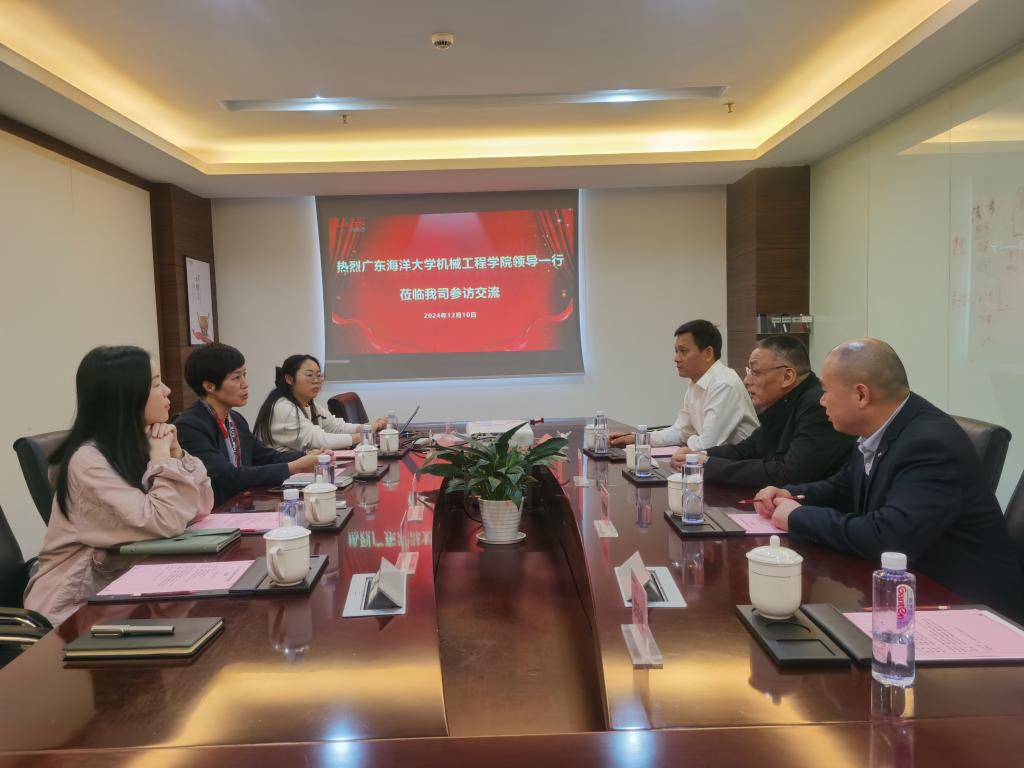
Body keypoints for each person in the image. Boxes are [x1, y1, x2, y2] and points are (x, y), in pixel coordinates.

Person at [753, 338, 1024, 621]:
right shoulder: (882, 428)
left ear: (861, 395)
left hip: (969, 609)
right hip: (911, 592)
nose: (822, 401)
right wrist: (790, 495)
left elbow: (890, 537)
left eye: (826, 391)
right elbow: (844, 487)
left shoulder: (929, 443)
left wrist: (799, 517)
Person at [24, 346, 213, 625]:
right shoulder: (88, 461)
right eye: (156, 383)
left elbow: (202, 506)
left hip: (123, 595)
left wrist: (177, 454)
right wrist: (163, 461)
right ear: (126, 396)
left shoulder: (138, 444)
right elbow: (165, 520)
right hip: (74, 612)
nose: (168, 391)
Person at [671, 335, 854, 484]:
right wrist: (701, 455)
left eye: (755, 372)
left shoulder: (817, 406)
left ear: (787, 376)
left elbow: (790, 473)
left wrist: (709, 465)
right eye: (749, 371)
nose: (747, 380)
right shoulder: (783, 401)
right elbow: (749, 449)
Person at [174, 343, 324, 506]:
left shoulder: (235, 419)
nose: (245, 384)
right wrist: (292, 467)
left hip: (243, 505)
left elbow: (264, 456)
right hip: (215, 511)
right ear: (209, 386)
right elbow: (227, 477)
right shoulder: (189, 426)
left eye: (244, 375)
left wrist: (306, 455)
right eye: (236, 378)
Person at [610, 319, 758, 450]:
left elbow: (707, 446)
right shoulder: (696, 382)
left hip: (743, 466)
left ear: (708, 353)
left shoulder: (724, 384)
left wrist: (689, 438)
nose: (676, 358)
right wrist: (638, 438)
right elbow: (680, 431)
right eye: (676, 351)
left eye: (683, 351)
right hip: (717, 462)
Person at [253, 354, 386, 452]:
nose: (316, 380)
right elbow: (319, 441)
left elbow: (336, 427)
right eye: (309, 375)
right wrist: (364, 435)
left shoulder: (309, 404)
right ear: (289, 379)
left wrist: (365, 427)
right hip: (282, 476)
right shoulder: (283, 408)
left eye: (318, 375)